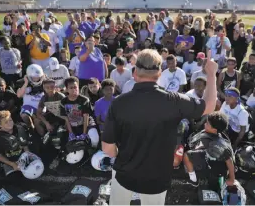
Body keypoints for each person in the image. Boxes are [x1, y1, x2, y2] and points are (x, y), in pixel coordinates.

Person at [101, 49, 217, 205]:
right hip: (157, 177)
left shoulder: (118, 103)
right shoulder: (174, 101)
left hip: (125, 173)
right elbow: (209, 106)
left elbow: (108, 149)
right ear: (159, 73)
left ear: (135, 73)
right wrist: (211, 74)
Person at [183, 112, 235, 187]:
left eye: (207, 124)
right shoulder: (212, 132)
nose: (205, 124)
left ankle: (193, 180)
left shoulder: (218, 145)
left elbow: (229, 161)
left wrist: (232, 179)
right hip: (211, 156)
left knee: (186, 155)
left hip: (215, 167)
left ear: (214, 129)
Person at [60, 77, 99, 148]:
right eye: (71, 88)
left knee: (95, 138)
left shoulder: (84, 100)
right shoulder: (63, 102)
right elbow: (66, 118)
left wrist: (84, 133)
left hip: (87, 123)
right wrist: (71, 132)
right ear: (67, 89)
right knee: (65, 142)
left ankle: (94, 150)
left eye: (75, 87)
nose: (74, 89)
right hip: (73, 124)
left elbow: (86, 117)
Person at [0, 110, 29, 176]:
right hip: (10, 161)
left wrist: (28, 155)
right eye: (6, 122)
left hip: (23, 158)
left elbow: (24, 144)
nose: (10, 123)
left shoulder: (19, 128)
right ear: (0, 125)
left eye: (10, 120)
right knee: (14, 180)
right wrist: (12, 164)